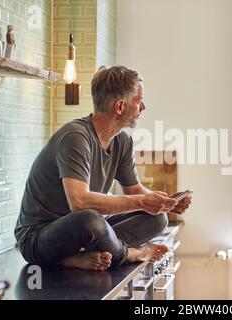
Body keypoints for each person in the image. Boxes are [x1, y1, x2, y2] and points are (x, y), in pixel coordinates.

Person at [14, 65, 192, 271]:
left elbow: (134, 191)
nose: (143, 107)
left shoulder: (122, 141)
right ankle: (133, 254)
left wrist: (164, 203)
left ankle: (78, 257)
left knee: (157, 219)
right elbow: (79, 203)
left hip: (85, 234)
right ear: (119, 106)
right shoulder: (76, 137)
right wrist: (143, 202)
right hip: (38, 239)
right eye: (138, 100)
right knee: (90, 220)